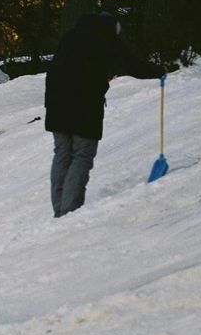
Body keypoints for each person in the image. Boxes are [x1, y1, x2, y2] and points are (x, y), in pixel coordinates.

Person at [44, 11, 164, 217]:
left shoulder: (70, 35)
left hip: (56, 103)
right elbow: (131, 65)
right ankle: (68, 210)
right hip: (84, 105)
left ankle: (59, 208)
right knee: (81, 154)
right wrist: (158, 71)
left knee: (62, 153)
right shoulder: (105, 38)